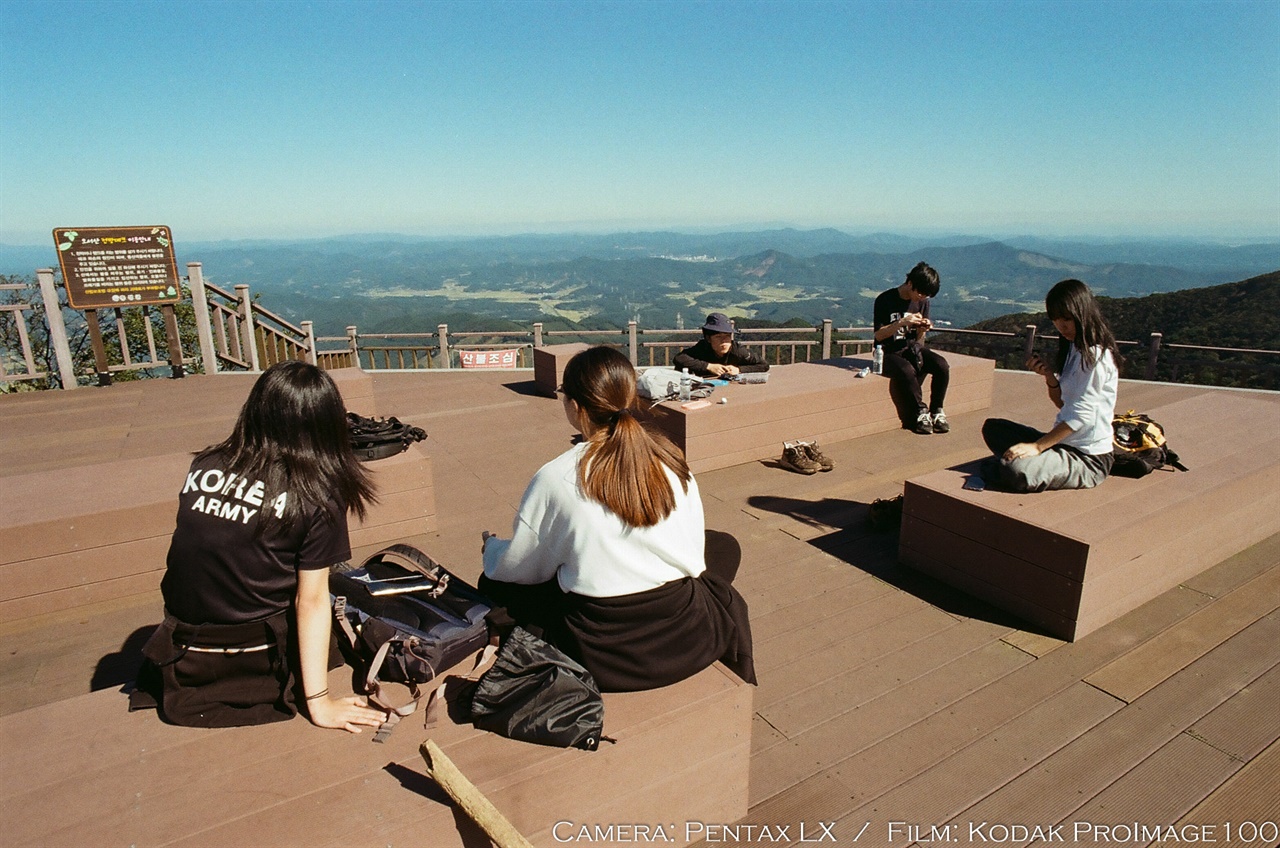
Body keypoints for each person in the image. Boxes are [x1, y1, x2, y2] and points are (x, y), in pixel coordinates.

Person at [480, 345, 755, 691]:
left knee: (493, 582)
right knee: (722, 545)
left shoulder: (556, 477)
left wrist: (491, 550)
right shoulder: (670, 459)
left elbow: (523, 568)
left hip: (605, 652)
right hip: (687, 633)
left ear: (576, 407)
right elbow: (692, 556)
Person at [133, 361, 387, 733]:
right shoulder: (316, 496)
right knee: (337, 594)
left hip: (184, 651)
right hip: (256, 655)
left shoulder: (205, 464)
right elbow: (311, 601)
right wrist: (319, 703)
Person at [980, 279, 1119, 493]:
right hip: (1065, 443)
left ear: (1083, 314)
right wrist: (1050, 377)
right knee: (993, 428)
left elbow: (1080, 417)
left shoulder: (1095, 357)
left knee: (1016, 471)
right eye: (1055, 320)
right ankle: (1038, 459)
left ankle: (1028, 462)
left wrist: (1038, 446)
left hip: (1088, 457)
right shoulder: (1075, 349)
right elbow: (1062, 403)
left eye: (1067, 319)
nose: (1061, 327)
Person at [873, 262, 950, 434]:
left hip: (911, 348)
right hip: (887, 352)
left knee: (942, 365)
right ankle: (920, 412)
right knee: (907, 371)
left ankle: (937, 410)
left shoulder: (923, 303)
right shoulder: (885, 300)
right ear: (910, 283)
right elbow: (878, 335)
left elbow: (919, 340)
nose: (922, 297)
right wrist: (901, 322)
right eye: (921, 292)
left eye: (927, 295)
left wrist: (923, 329)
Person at [673, 312, 770, 378]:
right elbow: (679, 359)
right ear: (708, 339)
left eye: (727, 336)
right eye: (718, 337)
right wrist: (708, 366)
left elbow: (763, 365)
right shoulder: (703, 347)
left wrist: (739, 370)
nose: (724, 341)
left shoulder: (738, 351)